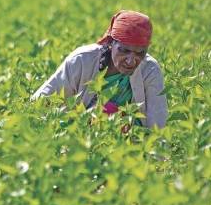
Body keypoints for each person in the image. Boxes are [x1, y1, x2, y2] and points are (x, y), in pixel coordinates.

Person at [32, 10, 168, 129]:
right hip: (76, 138)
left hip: (130, 145)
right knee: (105, 111)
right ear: (110, 43)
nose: (131, 60)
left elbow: (158, 126)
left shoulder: (150, 70)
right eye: (124, 50)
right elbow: (40, 103)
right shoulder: (82, 61)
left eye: (140, 53)